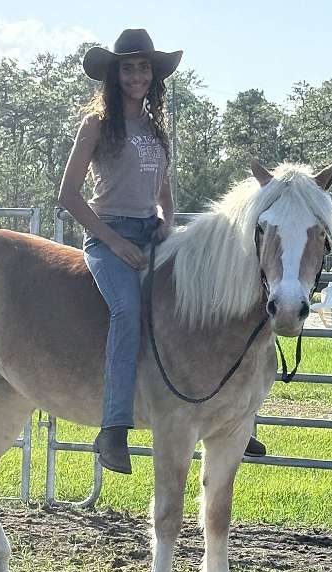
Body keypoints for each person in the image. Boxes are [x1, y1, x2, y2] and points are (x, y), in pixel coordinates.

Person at [58, 29, 265, 475]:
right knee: (127, 313)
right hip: (109, 234)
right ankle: (113, 428)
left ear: (154, 75)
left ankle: (235, 416)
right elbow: (69, 196)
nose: (137, 76)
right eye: (129, 68)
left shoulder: (155, 128)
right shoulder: (96, 125)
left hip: (152, 234)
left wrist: (168, 224)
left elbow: (164, 186)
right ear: (115, 75)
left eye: (144, 67)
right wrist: (112, 242)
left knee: (206, 303)